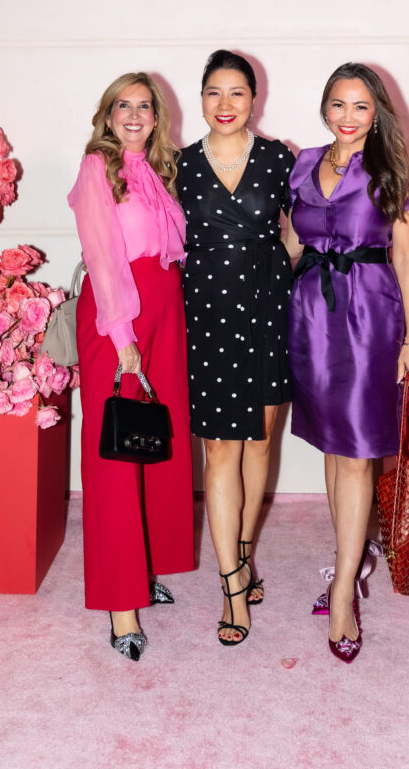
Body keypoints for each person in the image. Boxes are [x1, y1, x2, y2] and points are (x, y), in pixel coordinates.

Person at [285, 62, 409, 664]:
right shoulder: (301, 163)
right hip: (312, 315)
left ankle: (343, 591)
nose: (347, 117)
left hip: (371, 319)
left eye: (360, 106)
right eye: (338, 105)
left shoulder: (396, 172)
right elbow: (292, 241)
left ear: (377, 113)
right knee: (333, 447)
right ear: (325, 109)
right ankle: (348, 557)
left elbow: (406, 260)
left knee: (361, 452)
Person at [68, 72, 194, 661]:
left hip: (165, 311)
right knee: (116, 457)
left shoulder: (156, 170)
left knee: (158, 446)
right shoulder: (97, 167)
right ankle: (121, 603)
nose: (136, 115)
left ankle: (148, 570)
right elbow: (101, 252)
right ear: (107, 114)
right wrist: (122, 336)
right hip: (120, 315)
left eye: (145, 106)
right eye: (125, 105)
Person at [177, 50, 294, 646]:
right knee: (220, 454)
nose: (225, 106)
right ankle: (230, 586)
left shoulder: (280, 159)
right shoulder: (178, 165)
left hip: (270, 315)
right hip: (208, 321)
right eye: (214, 93)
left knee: (259, 444)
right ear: (201, 99)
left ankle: (245, 555)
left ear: (255, 98)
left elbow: (296, 236)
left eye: (237, 94)